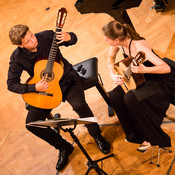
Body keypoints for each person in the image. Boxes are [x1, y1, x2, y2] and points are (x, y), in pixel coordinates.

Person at [7, 24, 110, 171]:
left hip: (67, 80)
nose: (33, 40)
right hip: (45, 89)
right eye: (28, 41)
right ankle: (64, 147)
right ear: (20, 45)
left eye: (31, 35)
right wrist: (34, 87)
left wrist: (70, 37)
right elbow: (11, 84)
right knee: (31, 123)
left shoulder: (47, 36)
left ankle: (97, 135)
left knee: (80, 105)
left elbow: (72, 39)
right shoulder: (17, 57)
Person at [102, 20, 175, 152]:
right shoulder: (119, 43)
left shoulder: (139, 47)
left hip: (158, 79)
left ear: (117, 39)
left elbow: (166, 68)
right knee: (114, 96)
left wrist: (144, 70)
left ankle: (152, 138)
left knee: (130, 98)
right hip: (139, 78)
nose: (105, 41)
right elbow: (110, 60)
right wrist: (113, 75)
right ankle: (134, 135)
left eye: (107, 39)